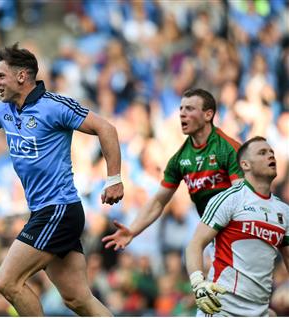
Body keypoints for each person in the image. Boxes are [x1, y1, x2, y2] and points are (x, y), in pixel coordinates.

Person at [0, 43, 124, 316]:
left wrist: (114, 178)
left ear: (21, 76)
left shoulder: (54, 106)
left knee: (7, 281)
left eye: (1, 75)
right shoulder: (4, 110)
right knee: (78, 299)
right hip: (46, 212)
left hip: (59, 209)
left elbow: (105, 127)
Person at [102, 88, 243, 251]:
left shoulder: (228, 148)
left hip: (238, 237)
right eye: (181, 109)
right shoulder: (180, 159)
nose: (183, 114)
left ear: (208, 115)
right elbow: (158, 201)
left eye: (190, 109)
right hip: (212, 241)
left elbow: (242, 195)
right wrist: (133, 230)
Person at [185, 136, 289, 316]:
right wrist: (198, 284)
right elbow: (195, 244)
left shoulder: (283, 211)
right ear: (246, 165)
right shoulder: (230, 199)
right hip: (221, 309)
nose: (270, 156)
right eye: (262, 153)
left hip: (259, 312)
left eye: (271, 152)